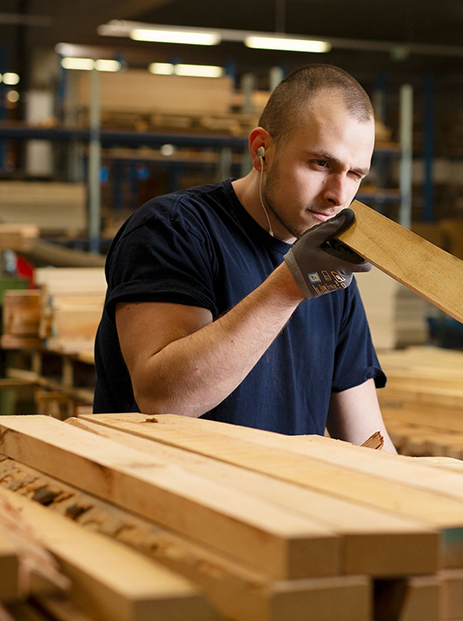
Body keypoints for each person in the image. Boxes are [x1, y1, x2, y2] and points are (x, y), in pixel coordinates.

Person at [93, 63, 396, 452]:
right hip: (162, 487)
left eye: (355, 174)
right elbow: (164, 400)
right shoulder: (174, 228)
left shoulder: (328, 270)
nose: (338, 194)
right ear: (260, 150)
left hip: (276, 491)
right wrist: (291, 284)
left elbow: (366, 439)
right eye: (321, 164)